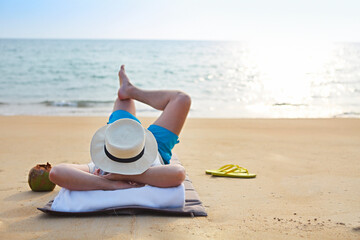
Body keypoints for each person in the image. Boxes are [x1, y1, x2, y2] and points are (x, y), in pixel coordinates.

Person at [49, 65, 191, 191]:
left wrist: (113, 178)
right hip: (156, 148)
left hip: (126, 135)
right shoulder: (148, 171)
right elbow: (178, 174)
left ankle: (130, 90)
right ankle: (130, 90)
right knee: (182, 99)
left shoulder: (102, 170)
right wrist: (116, 182)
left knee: (124, 99)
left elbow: (58, 172)